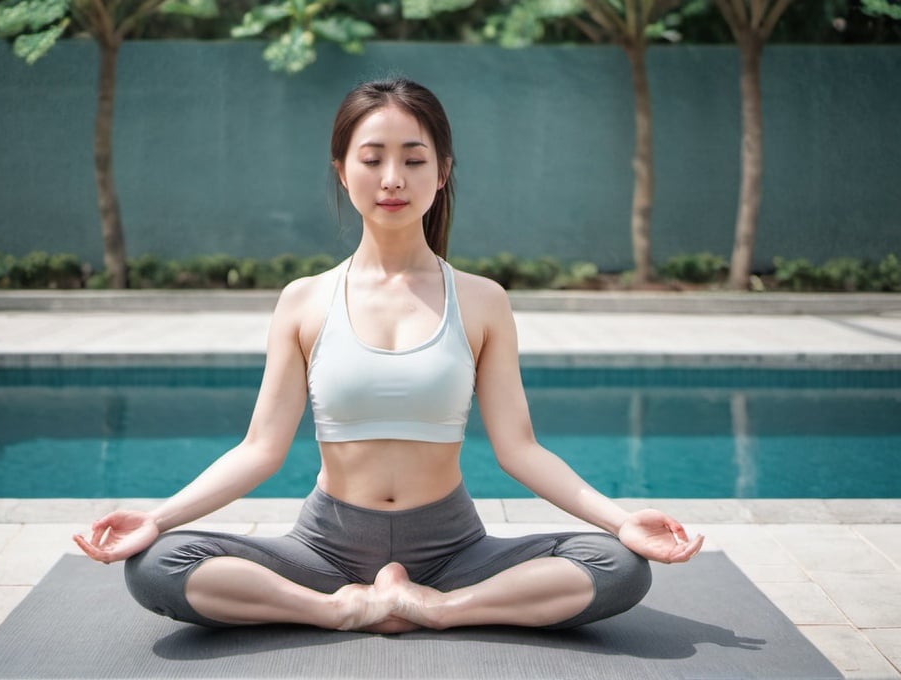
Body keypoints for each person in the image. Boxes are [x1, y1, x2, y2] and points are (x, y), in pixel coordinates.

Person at [74, 77, 704, 634]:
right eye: (372, 159)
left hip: (453, 550)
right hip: (324, 551)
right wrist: (156, 519)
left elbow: (520, 449)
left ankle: (436, 607)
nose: (393, 179)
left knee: (620, 568)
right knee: (155, 565)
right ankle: (342, 608)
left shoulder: (483, 302)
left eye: (413, 158)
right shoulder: (304, 301)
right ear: (343, 169)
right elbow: (260, 449)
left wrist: (622, 522)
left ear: (444, 169)